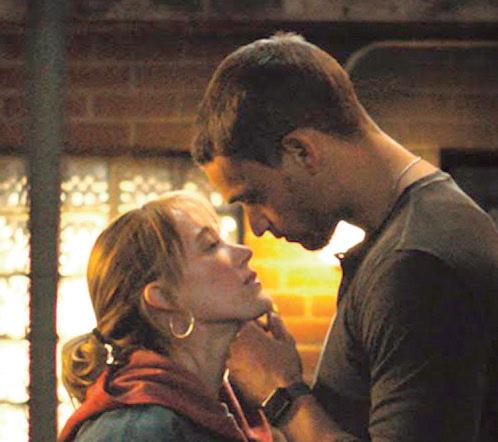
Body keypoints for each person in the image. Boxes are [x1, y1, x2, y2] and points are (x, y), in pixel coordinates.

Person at [191, 32, 498, 441]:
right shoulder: (424, 228)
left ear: (302, 151)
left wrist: (280, 394)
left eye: (253, 197)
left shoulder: (415, 264)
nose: (258, 226)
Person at [58, 191, 277, 442]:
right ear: (163, 297)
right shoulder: (134, 432)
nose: (244, 252)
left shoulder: (224, 412)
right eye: (211, 246)